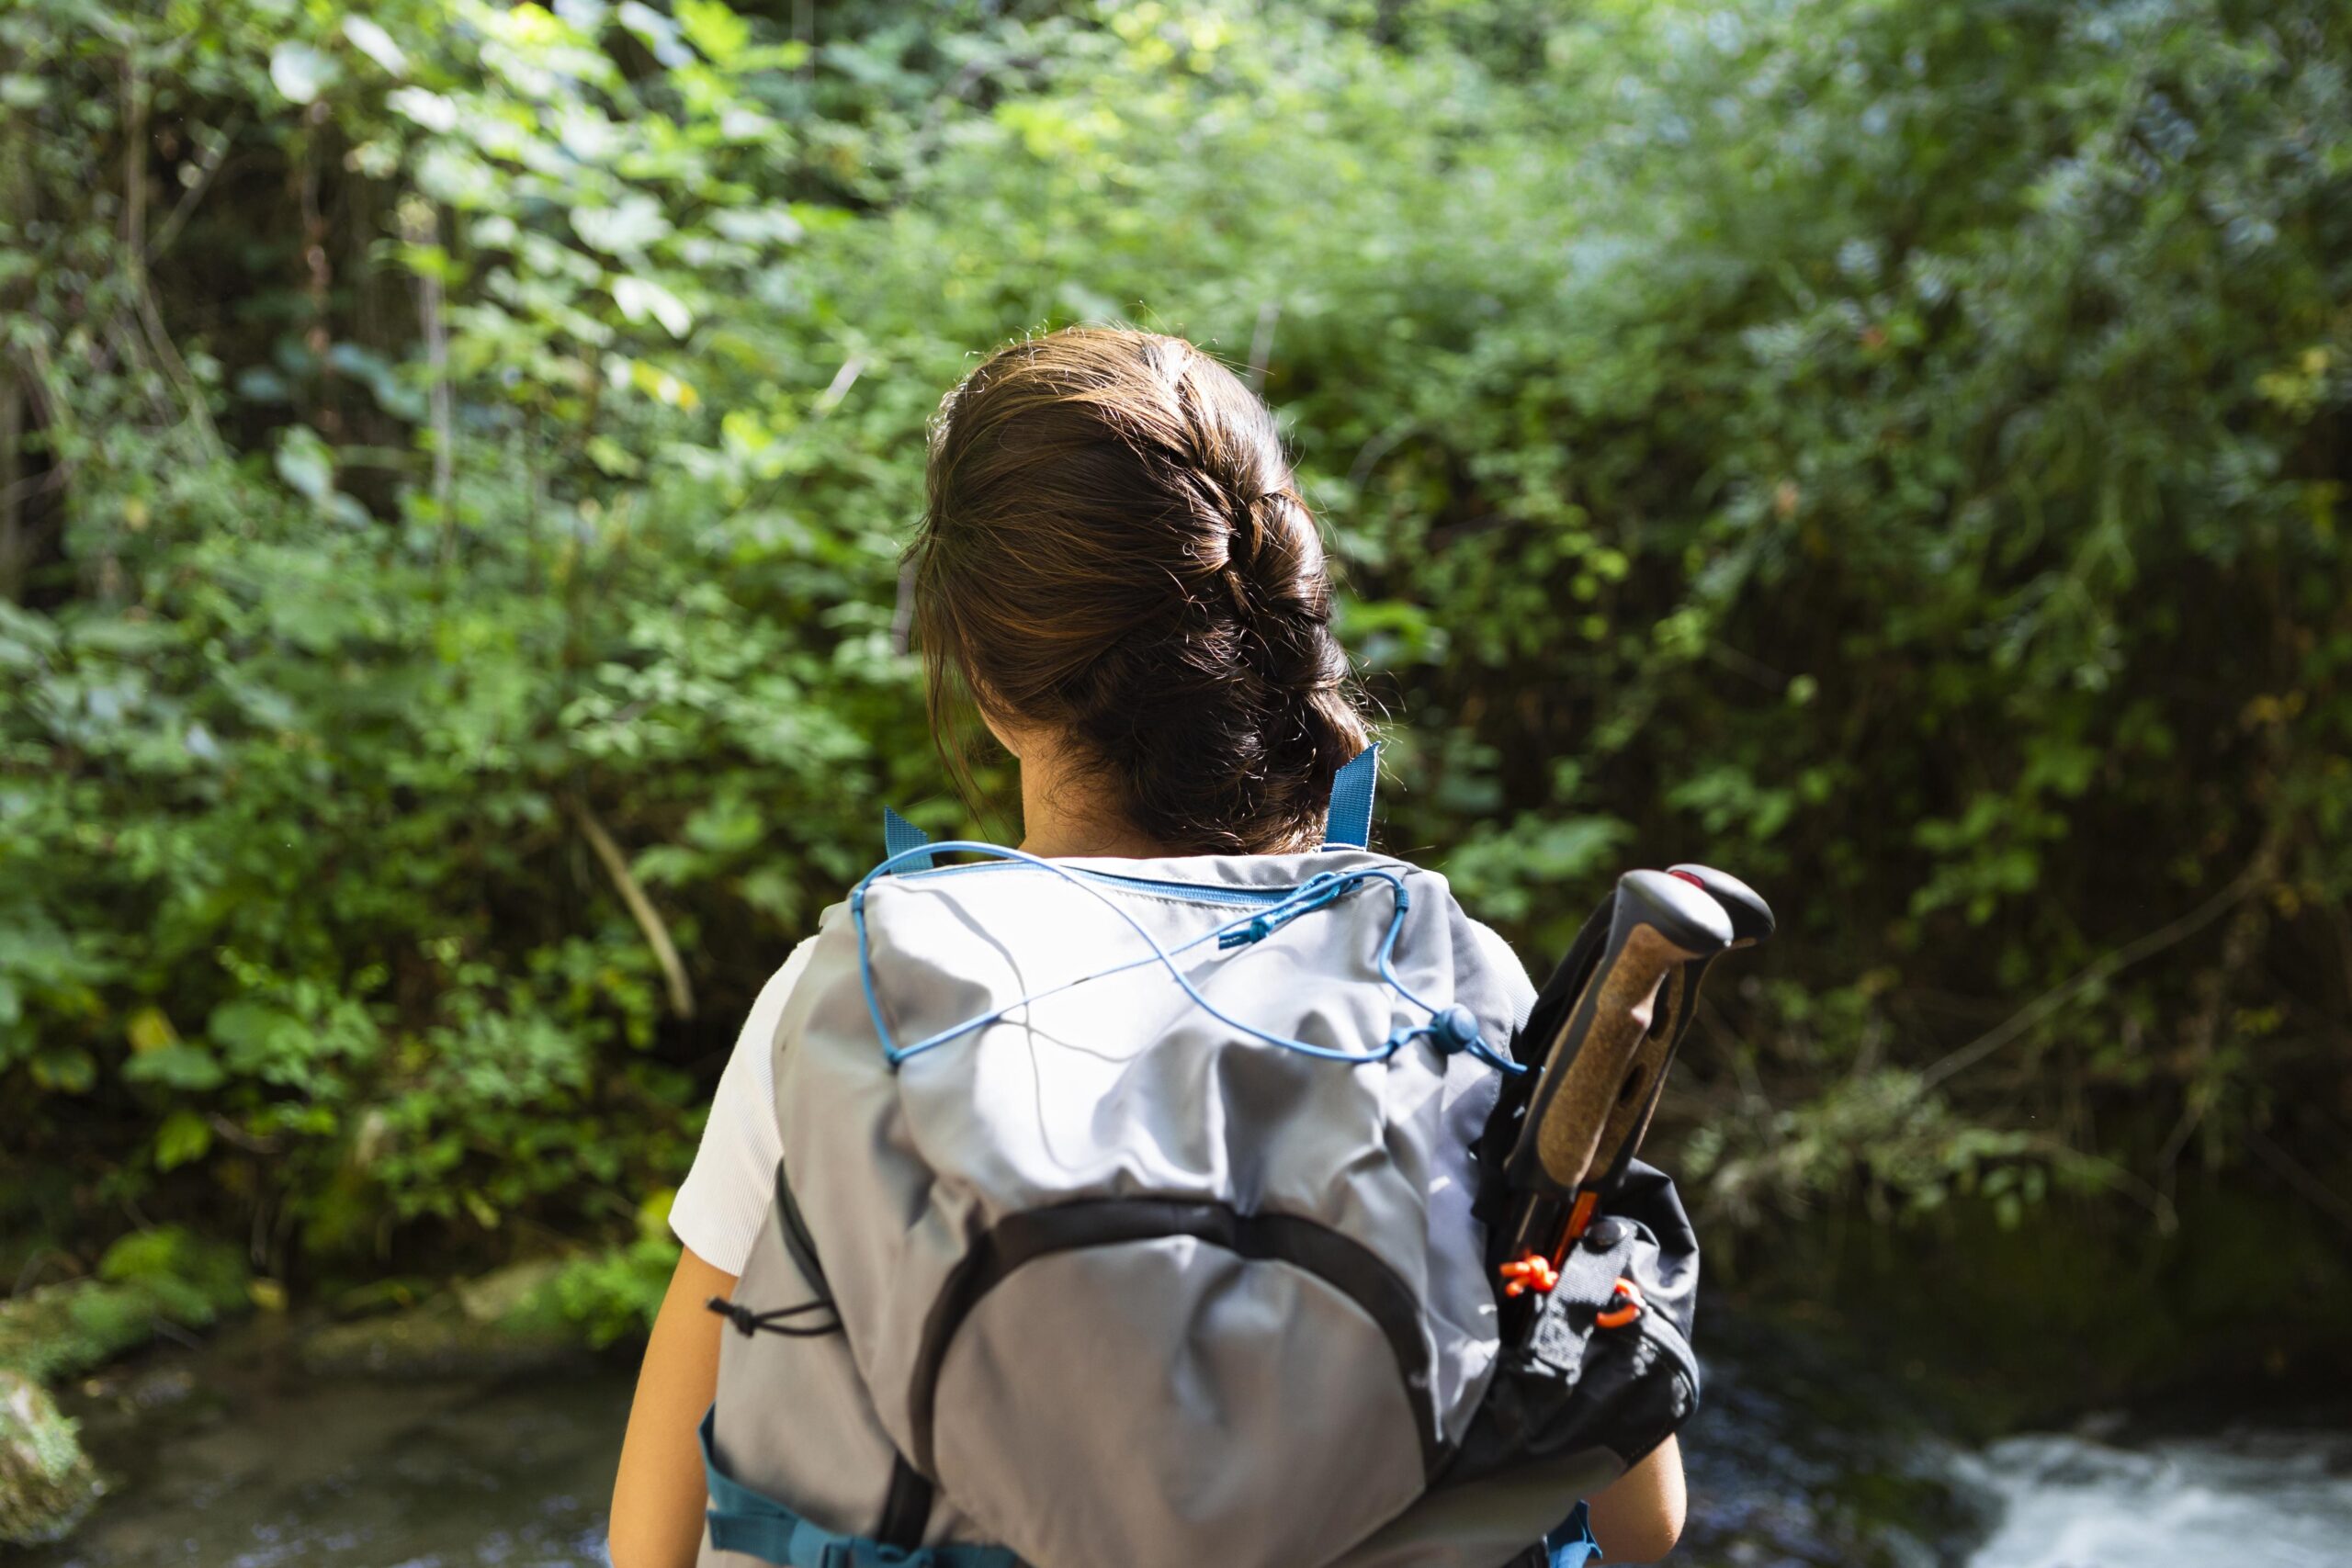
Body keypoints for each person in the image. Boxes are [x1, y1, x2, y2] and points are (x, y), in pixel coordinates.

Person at [607, 326, 1687, 1568]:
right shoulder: (1451, 980)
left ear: (980, 673)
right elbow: (1641, 1520)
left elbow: (656, 1535)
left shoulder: (849, 999)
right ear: (1275, 622)